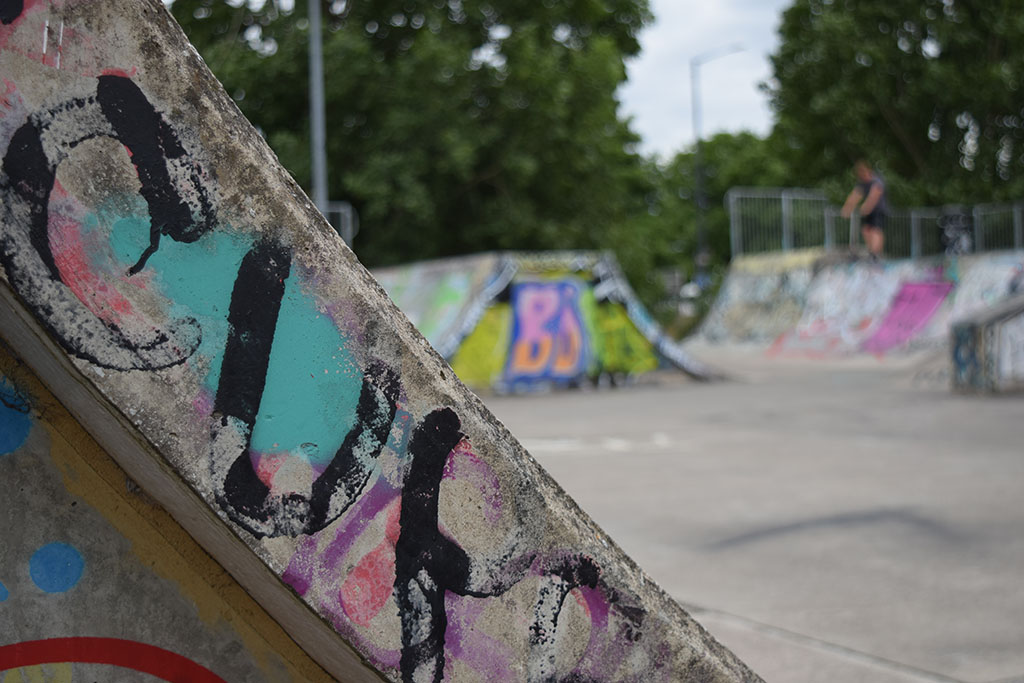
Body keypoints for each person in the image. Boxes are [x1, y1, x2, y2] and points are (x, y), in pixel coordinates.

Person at [841, 160, 887, 259]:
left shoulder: (876, 181)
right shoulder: (862, 184)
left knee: (876, 230)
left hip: (878, 210)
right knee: (866, 230)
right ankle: (872, 252)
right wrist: (846, 208)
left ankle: (876, 254)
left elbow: (873, 196)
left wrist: (865, 207)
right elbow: (854, 197)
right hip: (869, 212)